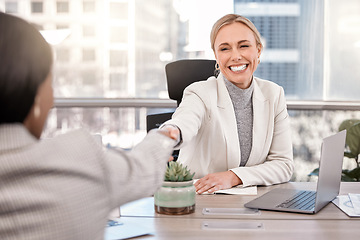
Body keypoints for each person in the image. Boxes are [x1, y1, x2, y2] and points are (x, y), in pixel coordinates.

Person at [0, 12, 178, 239]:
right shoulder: (77, 161)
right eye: (49, 83)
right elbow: (144, 169)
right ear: (34, 95)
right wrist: (163, 138)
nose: (52, 99)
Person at [162, 14, 294, 194]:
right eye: (225, 49)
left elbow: (284, 165)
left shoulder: (274, 94)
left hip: (252, 205)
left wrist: (234, 176)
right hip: (199, 202)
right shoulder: (199, 93)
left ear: (258, 50)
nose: (236, 56)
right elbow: (185, 120)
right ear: (216, 56)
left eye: (244, 46)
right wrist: (170, 133)